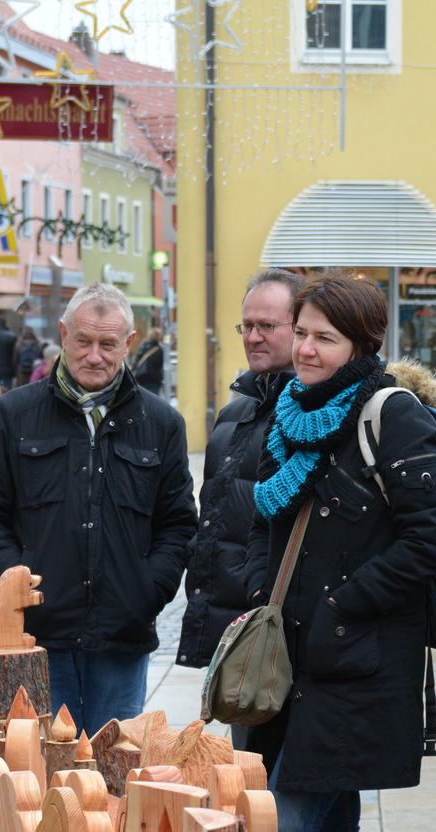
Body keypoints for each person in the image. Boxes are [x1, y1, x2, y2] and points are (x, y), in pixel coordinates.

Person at [242, 274, 436, 832]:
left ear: (361, 347)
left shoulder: (395, 417)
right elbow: (266, 523)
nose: (307, 350)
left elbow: (434, 541)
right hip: (290, 666)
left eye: (326, 339)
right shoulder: (289, 415)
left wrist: (342, 604)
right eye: (304, 333)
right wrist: (261, 594)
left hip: (354, 668)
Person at [0, 283, 197, 734]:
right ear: (64, 334)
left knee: (113, 773)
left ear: (128, 343)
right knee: (41, 774)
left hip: (121, 637)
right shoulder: (14, 414)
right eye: (83, 342)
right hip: (36, 634)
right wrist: (16, 582)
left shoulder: (161, 424)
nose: (94, 356)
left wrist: (148, 589)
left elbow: (179, 524)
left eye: (108, 345)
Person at [177, 269, 304, 681]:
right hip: (233, 635)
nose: (253, 337)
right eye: (247, 326)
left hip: (282, 632)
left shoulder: (318, 417)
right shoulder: (235, 413)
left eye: (267, 326)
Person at [132, 327, 168, 397]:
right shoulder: (159, 350)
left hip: (141, 377)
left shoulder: (143, 347)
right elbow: (161, 365)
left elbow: (136, 361)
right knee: (153, 399)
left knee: (143, 397)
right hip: (154, 378)